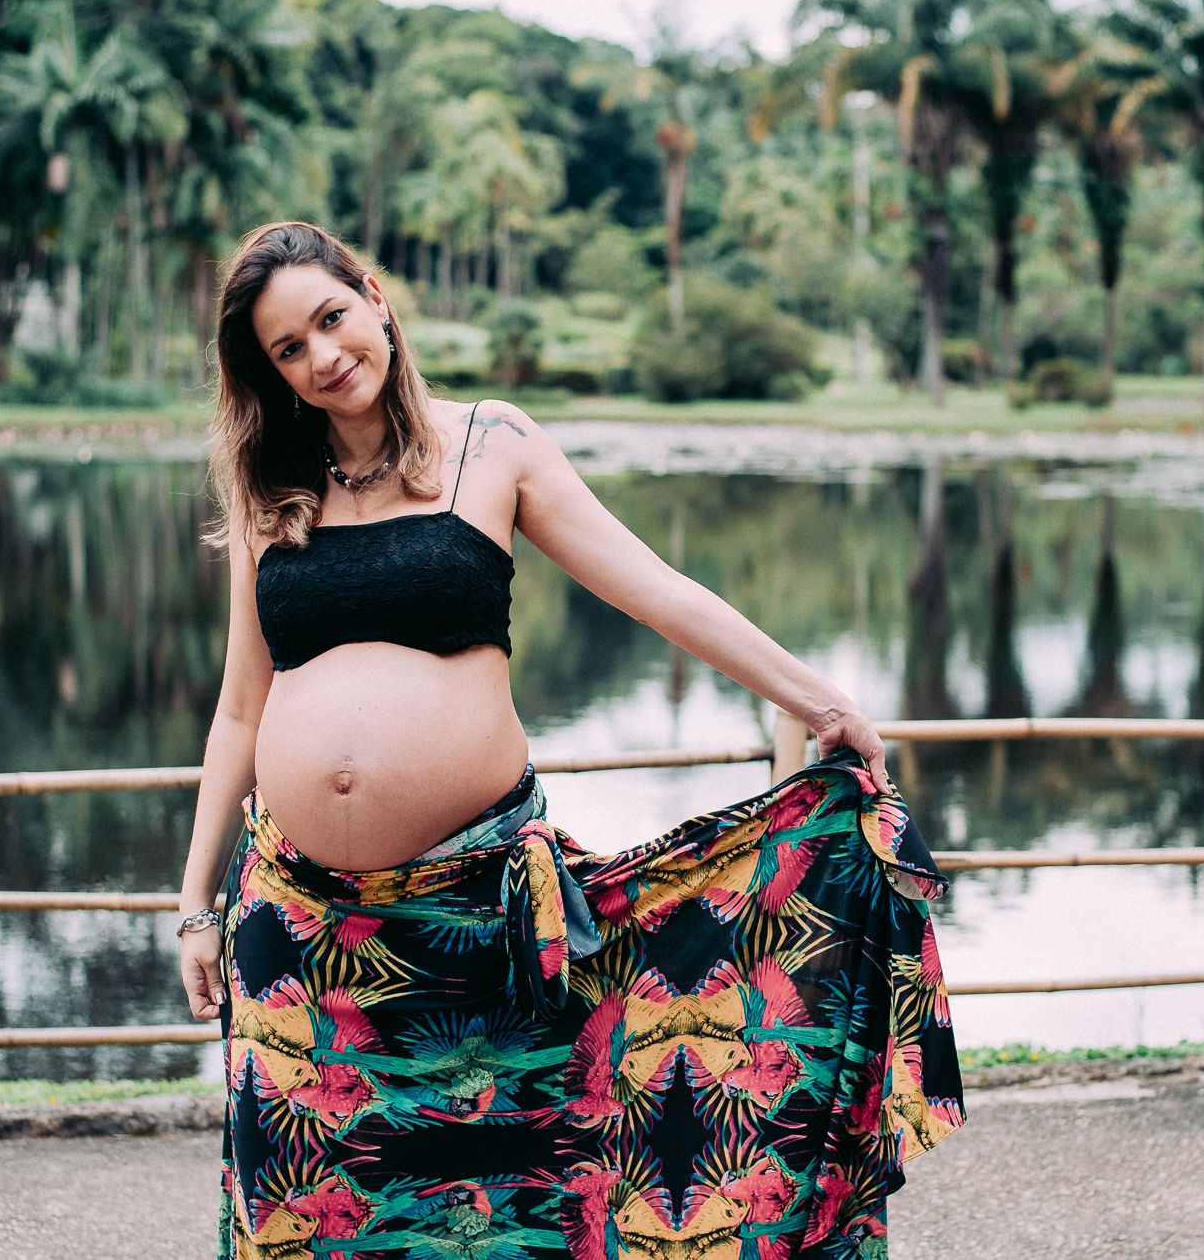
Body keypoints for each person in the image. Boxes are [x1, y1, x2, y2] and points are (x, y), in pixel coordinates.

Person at [176, 221, 961, 1260]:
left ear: (374, 297)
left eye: (330, 318)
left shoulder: (489, 444)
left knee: (526, 1198)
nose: (322, 356)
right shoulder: (270, 483)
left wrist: (816, 699)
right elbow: (240, 705)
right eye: (288, 348)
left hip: (482, 915)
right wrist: (194, 905)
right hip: (302, 928)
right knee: (305, 1208)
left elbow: (656, 590)